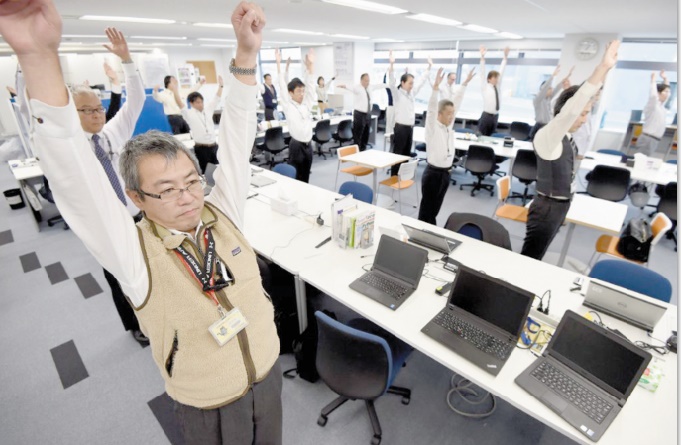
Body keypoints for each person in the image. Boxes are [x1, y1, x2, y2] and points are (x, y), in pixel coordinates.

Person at [1, 1, 282, 443]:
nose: (187, 197)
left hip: (267, 376)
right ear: (135, 198)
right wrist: (37, 57)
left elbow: (238, 134)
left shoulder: (221, 212)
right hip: (208, 402)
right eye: (166, 190)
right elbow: (75, 177)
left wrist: (246, 55)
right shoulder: (133, 252)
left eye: (191, 181)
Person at [69, 28, 147, 345]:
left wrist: (127, 60)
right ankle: (134, 326)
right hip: (105, 227)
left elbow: (137, 99)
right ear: (71, 115)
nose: (96, 114)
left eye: (99, 108)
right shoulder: (72, 148)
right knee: (118, 278)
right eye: (87, 110)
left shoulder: (114, 131)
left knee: (145, 268)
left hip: (136, 216)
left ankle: (151, 313)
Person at [520, 41, 621, 261]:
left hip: (559, 205)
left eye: (587, 114)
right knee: (530, 257)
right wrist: (601, 68)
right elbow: (572, 108)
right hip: (547, 208)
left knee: (537, 254)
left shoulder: (565, 138)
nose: (584, 119)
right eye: (582, 113)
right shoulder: (549, 135)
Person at [418, 68, 456, 225]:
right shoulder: (433, 128)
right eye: (449, 114)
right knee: (427, 210)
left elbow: (456, 100)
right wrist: (434, 90)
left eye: (453, 113)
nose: (451, 116)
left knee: (434, 210)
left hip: (445, 174)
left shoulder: (448, 128)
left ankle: (429, 231)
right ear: (440, 115)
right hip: (433, 174)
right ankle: (422, 233)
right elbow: (432, 109)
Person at [276, 47, 317, 183]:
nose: (301, 94)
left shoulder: (306, 104)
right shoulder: (288, 105)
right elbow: (282, 86)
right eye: (298, 91)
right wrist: (278, 64)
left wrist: (311, 66)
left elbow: (311, 86)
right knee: (295, 178)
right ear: (291, 93)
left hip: (308, 146)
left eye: (302, 91)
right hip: (296, 146)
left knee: (306, 177)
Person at [388, 50, 432, 175]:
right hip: (400, 128)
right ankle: (394, 175)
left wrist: (429, 67)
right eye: (410, 83)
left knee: (406, 153)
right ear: (402, 83)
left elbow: (422, 81)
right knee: (398, 154)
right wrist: (391, 65)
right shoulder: (397, 94)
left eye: (413, 83)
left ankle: (403, 175)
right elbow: (391, 81)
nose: (412, 85)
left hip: (409, 128)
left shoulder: (411, 93)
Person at [172, 75, 225, 173]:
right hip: (201, 148)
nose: (201, 104)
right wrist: (175, 90)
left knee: (219, 170)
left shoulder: (208, 109)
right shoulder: (188, 113)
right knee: (206, 172)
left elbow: (216, 98)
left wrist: (221, 85)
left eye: (201, 102)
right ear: (191, 103)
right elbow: (179, 103)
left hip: (214, 146)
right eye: (198, 102)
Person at [337, 73, 387, 152]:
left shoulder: (370, 87)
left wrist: (387, 85)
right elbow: (350, 87)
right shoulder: (357, 87)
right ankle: (357, 150)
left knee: (366, 133)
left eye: (368, 81)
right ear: (361, 81)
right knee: (358, 133)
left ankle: (363, 149)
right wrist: (344, 86)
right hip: (359, 114)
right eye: (366, 81)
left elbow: (379, 86)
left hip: (368, 114)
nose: (367, 82)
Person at [529, 65, 572, 140]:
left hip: (547, 127)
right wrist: (552, 76)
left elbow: (557, 88)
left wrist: (566, 78)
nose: (551, 89)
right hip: (539, 127)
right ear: (542, 90)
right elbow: (544, 88)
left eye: (551, 88)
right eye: (549, 88)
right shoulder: (538, 100)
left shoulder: (548, 99)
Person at [635, 70, 671, 156]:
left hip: (654, 140)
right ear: (658, 93)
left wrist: (665, 78)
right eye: (665, 91)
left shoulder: (661, 106)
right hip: (648, 139)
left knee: (644, 163)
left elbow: (668, 94)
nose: (667, 94)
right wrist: (653, 81)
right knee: (640, 162)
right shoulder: (652, 105)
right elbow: (653, 95)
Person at [478, 46, 509, 136]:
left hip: (495, 116)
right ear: (489, 79)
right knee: (482, 137)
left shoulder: (498, 87)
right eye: (495, 78)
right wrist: (482, 57)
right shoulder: (485, 87)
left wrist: (505, 58)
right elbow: (482, 73)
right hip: (486, 116)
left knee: (491, 138)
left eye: (497, 78)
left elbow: (501, 72)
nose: (497, 80)